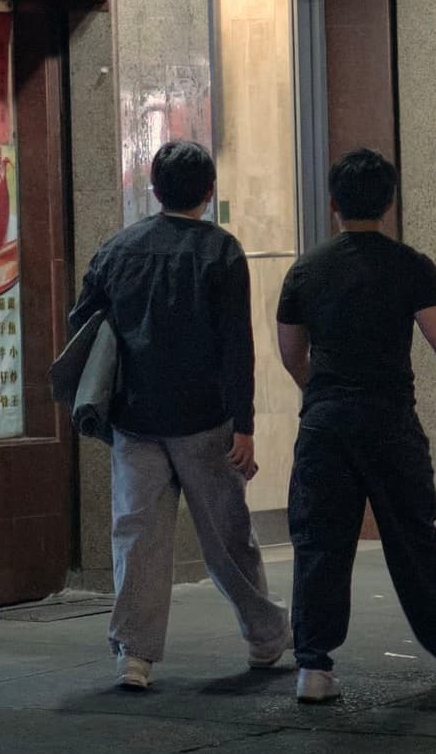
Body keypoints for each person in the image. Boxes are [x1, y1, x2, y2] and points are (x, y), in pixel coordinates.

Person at [276, 146, 436, 706]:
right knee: (411, 537)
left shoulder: (305, 269)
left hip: (326, 425)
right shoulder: (411, 266)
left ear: (333, 202)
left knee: (321, 543)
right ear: (389, 203)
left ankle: (313, 666)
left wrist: (323, 394)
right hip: (389, 420)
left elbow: (290, 353)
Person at [77, 138, 290, 690]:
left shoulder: (117, 249)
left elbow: (83, 321)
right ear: (210, 192)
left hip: (134, 419)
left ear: (153, 190)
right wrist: (244, 424)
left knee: (138, 536)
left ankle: (135, 655)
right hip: (204, 419)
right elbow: (235, 344)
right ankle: (265, 636)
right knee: (227, 536)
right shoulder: (222, 252)